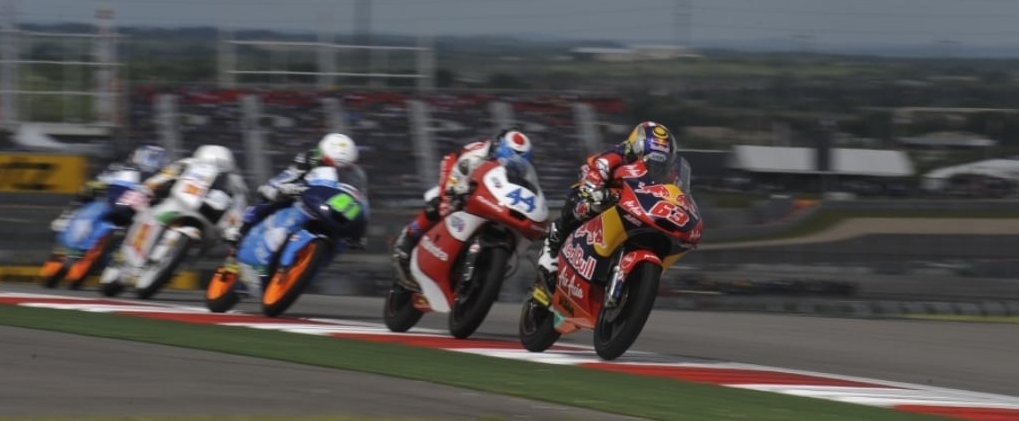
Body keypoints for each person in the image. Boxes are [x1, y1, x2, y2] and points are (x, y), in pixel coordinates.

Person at [536, 121, 678, 290]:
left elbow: (674, 194)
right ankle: (555, 240)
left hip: (636, 206)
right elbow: (591, 182)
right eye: (649, 161)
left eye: (660, 164)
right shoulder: (611, 159)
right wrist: (594, 193)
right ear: (634, 151)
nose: (654, 167)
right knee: (582, 205)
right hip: (604, 192)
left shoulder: (669, 175)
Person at [391, 128, 534, 285]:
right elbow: (457, 175)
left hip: (486, 184)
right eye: (513, 159)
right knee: (443, 204)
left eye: (521, 161)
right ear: (500, 150)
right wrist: (454, 191)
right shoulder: (477, 156)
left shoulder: (521, 171)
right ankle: (408, 238)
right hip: (457, 170)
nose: (516, 164)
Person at [221, 133, 363, 246]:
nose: (337, 170)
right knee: (270, 199)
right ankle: (241, 228)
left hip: (330, 200)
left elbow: (357, 194)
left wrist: (359, 229)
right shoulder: (309, 157)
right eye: (331, 164)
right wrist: (276, 188)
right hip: (303, 189)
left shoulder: (352, 174)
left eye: (343, 168)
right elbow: (289, 175)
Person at [50, 144, 169, 232]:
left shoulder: (162, 179)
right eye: (149, 157)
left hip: (137, 213)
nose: (151, 162)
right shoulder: (122, 168)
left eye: (155, 159)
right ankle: (70, 215)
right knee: (91, 188)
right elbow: (100, 181)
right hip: (114, 201)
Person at [141, 144, 249, 218]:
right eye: (205, 167)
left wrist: (234, 226)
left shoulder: (235, 181)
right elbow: (164, 176)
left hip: (207, 217)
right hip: (174, 203)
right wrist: (151, 187)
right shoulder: (186, 163)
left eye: (219, 172)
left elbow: (240, 203)